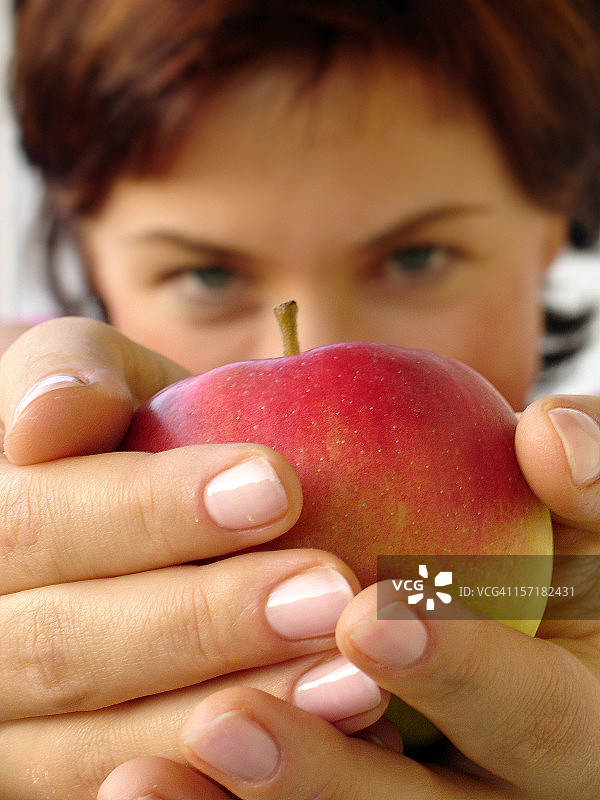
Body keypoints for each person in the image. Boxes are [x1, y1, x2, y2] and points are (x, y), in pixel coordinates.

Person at [1, 1, 600, 798]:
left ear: (555, 230)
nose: (321, 332)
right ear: (90, 258)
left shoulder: (581, 582)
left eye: (418, 256)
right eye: (206, 275)